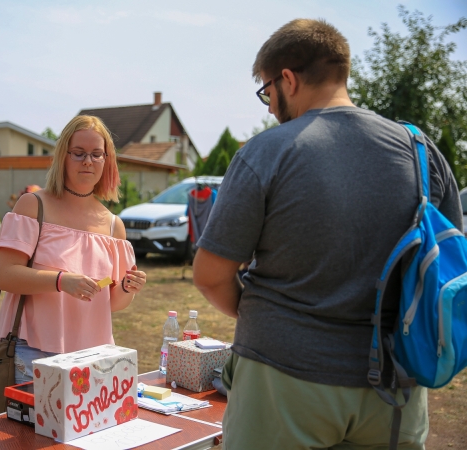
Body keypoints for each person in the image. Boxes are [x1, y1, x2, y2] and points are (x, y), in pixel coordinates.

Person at [193, 19, 462, 450]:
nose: (268, 107)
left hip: (283, 380)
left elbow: (209, 274)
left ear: (288, 79)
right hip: (396, 387)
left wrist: (264, 315)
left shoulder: (269, 150)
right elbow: (447, 267)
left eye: (267, 92)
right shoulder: (421, 151)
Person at [0, 115, 147, 384]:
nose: (88, 161)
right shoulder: (33, 206)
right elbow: (6, 276)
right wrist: (62, 281)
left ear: (106, 161)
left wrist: (127, 287)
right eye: (79, 153)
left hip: (93, 359)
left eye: (97, 154)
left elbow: (112, 304)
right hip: (33, 354)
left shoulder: (114, 227)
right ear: (63, 157)